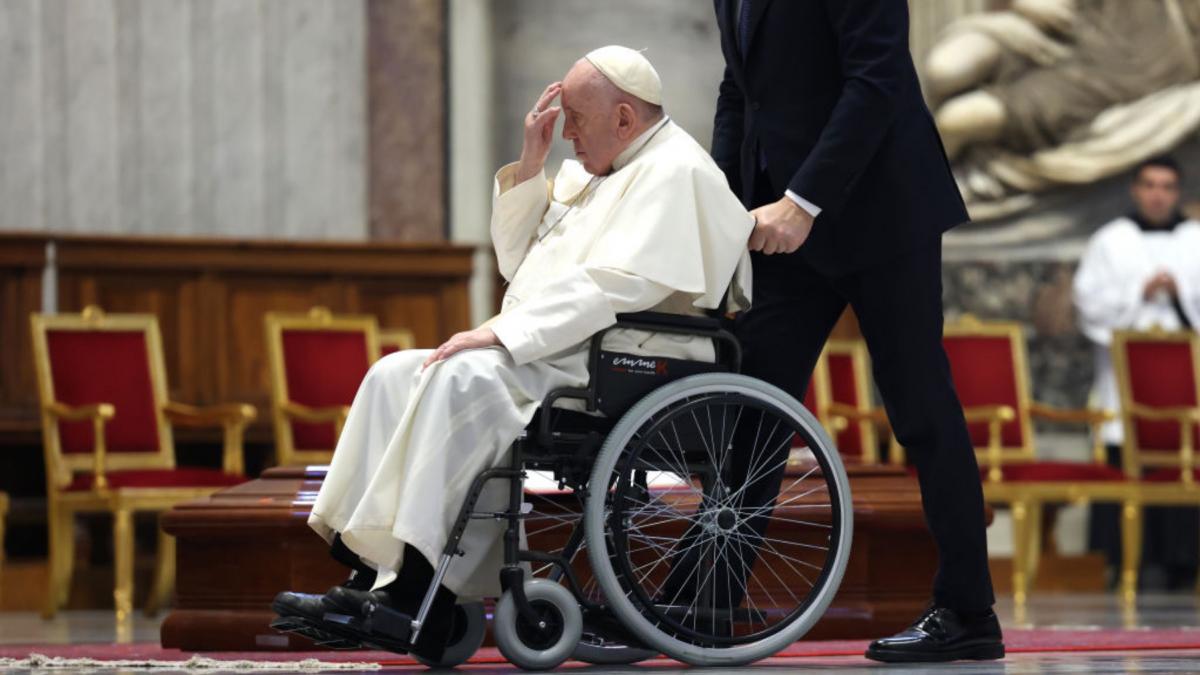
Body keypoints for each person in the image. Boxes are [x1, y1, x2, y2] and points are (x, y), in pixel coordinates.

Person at [272, 45, 753, 660]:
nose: (567, 132)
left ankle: (417, 591)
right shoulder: (601, 172)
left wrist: (501, 333)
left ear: (625, 118)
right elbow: (518, 260)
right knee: (398, 371)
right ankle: (370, 578)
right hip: (569, 344)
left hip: (628, 354)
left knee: (463, 379)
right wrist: (532, 163)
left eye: (575, 117)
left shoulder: (678, 172)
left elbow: (617, 286)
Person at [711, 0, 1002, 663]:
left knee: (920, 408)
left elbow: (877, 81)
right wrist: (722, 201)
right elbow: (740, 90)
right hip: (781, 219)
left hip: (880, 209)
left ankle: (967, 610)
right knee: (752, 409)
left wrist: (805, 199)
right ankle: (707, 600)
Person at [1074, 155, 1200, 590]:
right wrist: (1138, 293)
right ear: (1135, 189)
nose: (1157, 193)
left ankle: (1185, 563)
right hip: (1123, 388)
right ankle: (1125, 562)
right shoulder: (1109, 241)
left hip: (1189, 394)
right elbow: (1088, 302)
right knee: (1125, 459)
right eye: (1149, 184)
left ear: (1177, 191)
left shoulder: (1196, 238)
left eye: (1166, 186)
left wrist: (1182, 294)